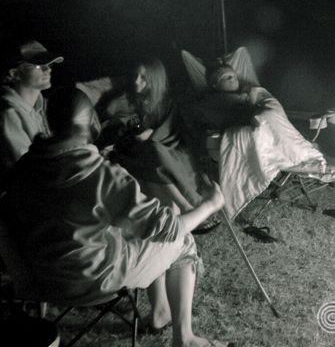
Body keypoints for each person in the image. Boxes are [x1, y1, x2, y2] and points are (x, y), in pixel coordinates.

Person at [7, 87, 228, 347]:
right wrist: (210, 205)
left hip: (43, 279)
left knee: (134, 231)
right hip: (92, 281)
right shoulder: (101, 175)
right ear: (92, 123)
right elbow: (167, 229)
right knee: (183, 242)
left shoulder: (25, 168)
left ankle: (160, 312)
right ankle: (185, 338)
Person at [183, 58, 335, 219]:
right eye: (227, 77)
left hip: (269, 130)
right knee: (266, 120)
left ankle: (311, 160)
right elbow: (206, 116)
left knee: (271, 115)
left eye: (234, 76)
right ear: (215, 85)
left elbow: (270, 105)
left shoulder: (249, 93)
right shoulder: (212, 101)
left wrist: (253, 94)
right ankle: (313, 163)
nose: (234, 79)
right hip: (246, 132)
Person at [100, 58, 215, 232]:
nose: (136, 81)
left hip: (160, 148)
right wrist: (126, 132)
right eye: (135, 75)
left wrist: (152, 134)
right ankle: (194, 205)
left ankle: (188, 207)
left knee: (156, 152)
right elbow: (113, 125)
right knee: (153, 150)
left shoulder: (166, 102)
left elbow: (172, 130)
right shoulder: (123, 101)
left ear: (155, 80)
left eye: (143, 78)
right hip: (131, 152)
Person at [0, 40, 62, 179]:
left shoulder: (41, 106)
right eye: (39, 65)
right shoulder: (8, 114)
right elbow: (28, 169)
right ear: (14, 73)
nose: (48, 69)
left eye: (49, 64)